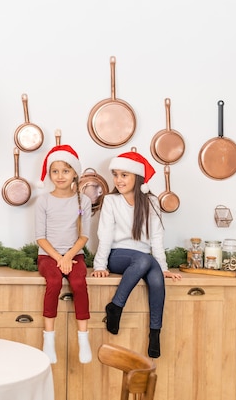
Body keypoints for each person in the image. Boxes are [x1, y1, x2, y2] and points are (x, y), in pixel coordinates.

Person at [91, 150, 181, 358]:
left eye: (124, 175)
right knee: (144, 260)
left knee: (157, 278)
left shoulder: (151, 202)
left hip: (144, 260)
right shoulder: (111, 201)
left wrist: (164, 268)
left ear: (137, 177)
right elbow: (104, 235)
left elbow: (156, 238)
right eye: (116, 175)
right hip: (118, 256)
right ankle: (116, 306)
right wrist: (100, 265)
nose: (118, 180)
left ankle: (155, 333)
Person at [35, 144, 93, 364]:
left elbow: (84, 236)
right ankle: (48, 339)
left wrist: (69, 256)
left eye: (65, 171)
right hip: (48, 256)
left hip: (74, 255)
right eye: (55, 171)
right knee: (54, 281)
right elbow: (40, 237)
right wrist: (58, 258)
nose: (60, 176)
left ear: (75, 173)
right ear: (50, 174)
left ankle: (83, 337)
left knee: (78, 282)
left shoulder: (83, 201)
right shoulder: (44, 201)